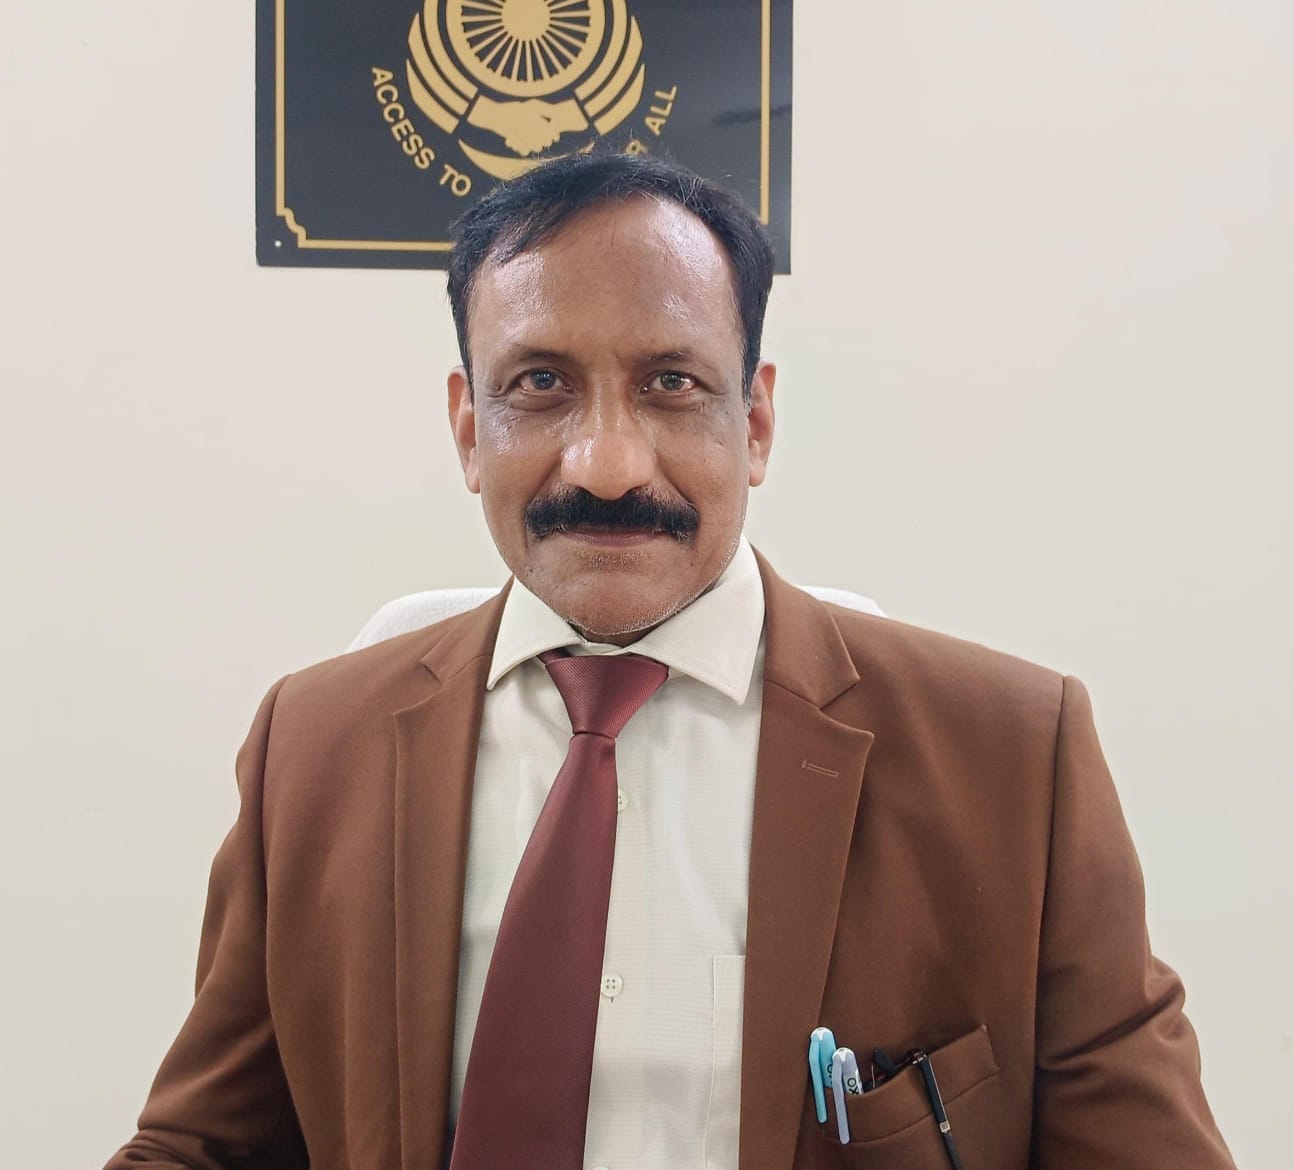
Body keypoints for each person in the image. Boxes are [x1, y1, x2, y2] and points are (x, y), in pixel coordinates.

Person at [104, 152, 1235, 1170]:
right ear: (468, 430)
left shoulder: (1012, 759)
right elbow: (207, 1145)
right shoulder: (311, 750)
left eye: (671, 384)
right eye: (539, 384)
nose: (605, 464)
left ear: (756, 423)